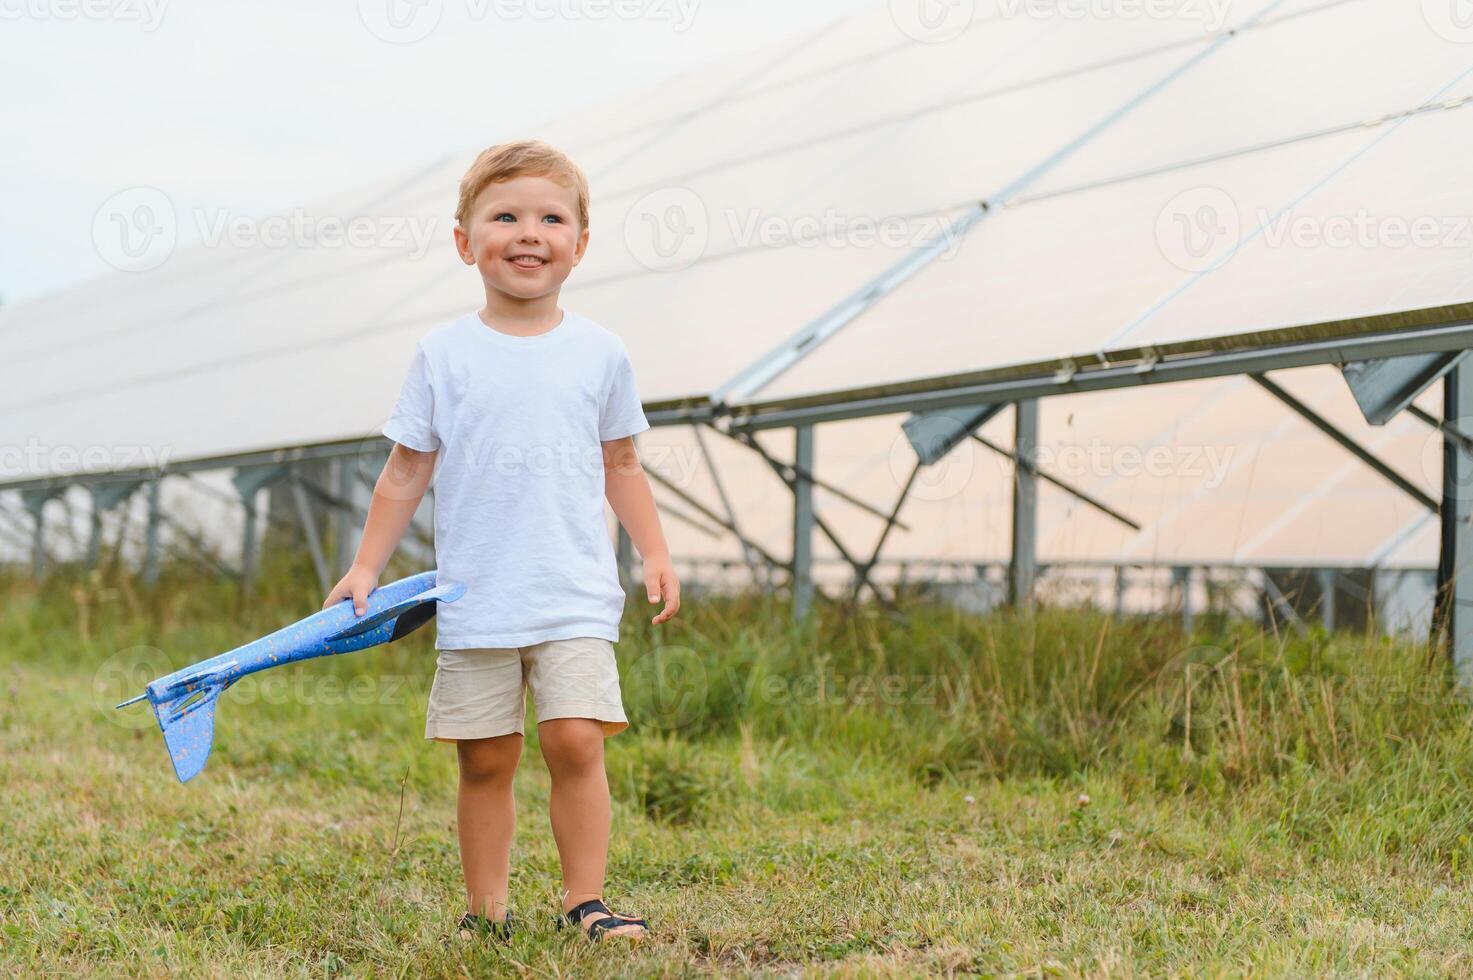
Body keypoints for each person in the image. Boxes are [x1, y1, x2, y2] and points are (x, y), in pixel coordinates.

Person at [323, 138, 680, 944]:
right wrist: (365, 565)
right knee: (484, 757)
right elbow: (405, 473)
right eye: (504, 216)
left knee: (574, 738)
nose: (528, 232)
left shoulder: (600, 353)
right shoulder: (444, 355)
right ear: (464, 242)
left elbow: (621, 463)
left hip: (573, 591)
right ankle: (485, 914)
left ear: (579, 246)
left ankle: (584, 902)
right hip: (476, 596)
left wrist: (654, 551)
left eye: (550, 218)